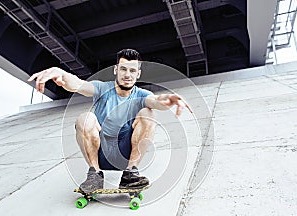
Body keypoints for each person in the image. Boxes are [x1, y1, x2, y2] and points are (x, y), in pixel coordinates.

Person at [28, 48, 192, 194]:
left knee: (148, 113)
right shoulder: (101, 88)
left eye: (132, 71)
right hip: (100, 153)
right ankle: (95, 175)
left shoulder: (142, 94)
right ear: (116, 70)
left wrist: (168, 99)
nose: (127, 75)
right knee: (85, 118)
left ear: (138, 74)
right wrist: (61, 73)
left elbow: (156, 101)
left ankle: (130, 175)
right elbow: (78, 84)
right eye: (123, 69)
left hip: (126, 154)